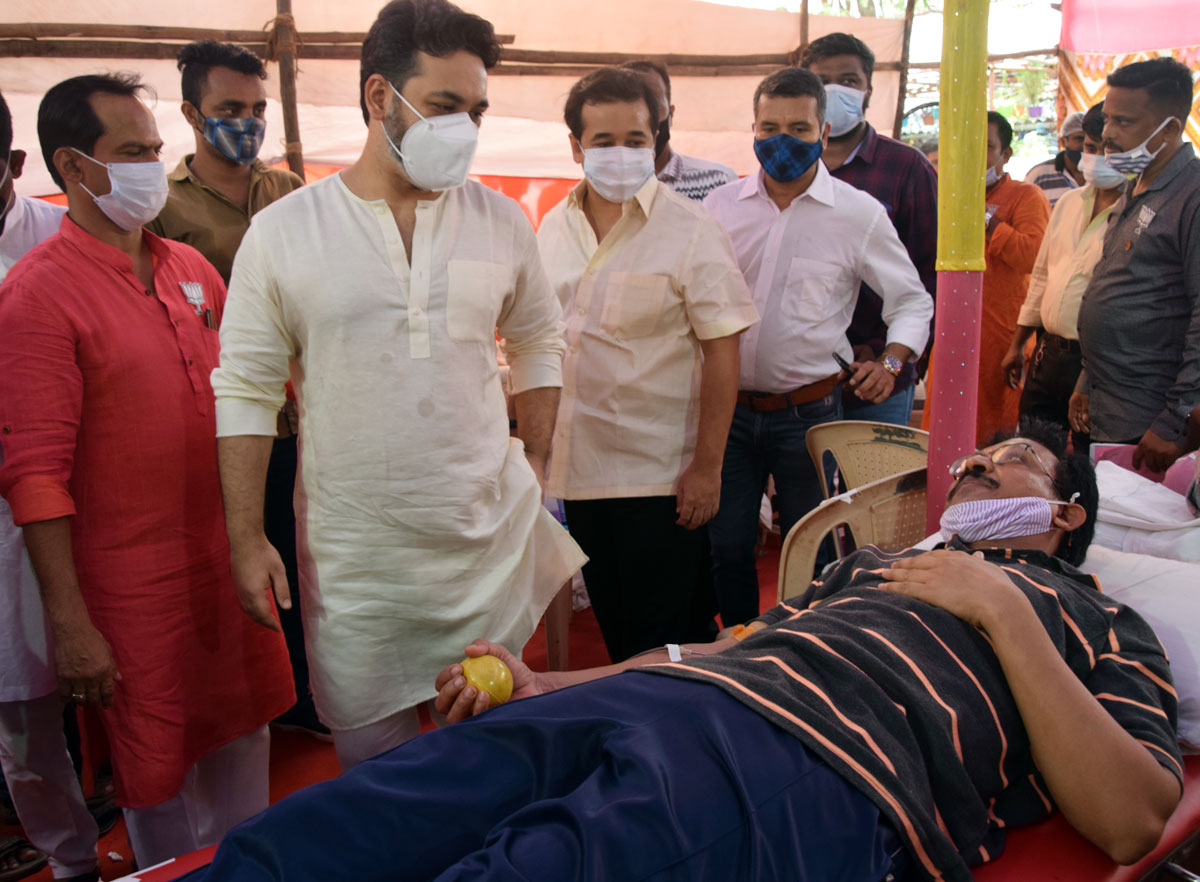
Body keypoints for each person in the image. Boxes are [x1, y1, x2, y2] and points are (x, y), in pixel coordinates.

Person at [180, 420, 1183, 882]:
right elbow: (727, 642)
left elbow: (1137, 820)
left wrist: (1000, 609)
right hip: (689, 697)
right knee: (367, 814)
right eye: (967, 463)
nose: (973, 470)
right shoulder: (869, 569)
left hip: (819, 767)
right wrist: (546, 681)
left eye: (1007, 464)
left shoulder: (1099, 622)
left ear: (1061, 511)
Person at [211, 0, 585, 771]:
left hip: (484, 545)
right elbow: (245, 389)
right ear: (381, 98)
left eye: (476, 110)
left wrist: (537, 464)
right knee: (377, 783)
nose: (466, 129)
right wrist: (246, 538)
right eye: (445, 107)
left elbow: (539, 339)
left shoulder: (500, 220)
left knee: (494, 766)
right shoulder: (286, 232)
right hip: (360, 566)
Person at [0, 73, 294, 868]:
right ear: (72, 166)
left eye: (155, 150)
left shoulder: (189, 271)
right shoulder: (36, 296)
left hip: (222, 561)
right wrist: (70, 624)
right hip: (130, 593)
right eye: (131, 153)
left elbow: (250, 396)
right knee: (158, 776)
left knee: (244, 747)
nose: (151, 167)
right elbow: (34, 477)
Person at [537, 68, 757, 662]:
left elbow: (723, 348)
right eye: (603, 141)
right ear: (576, 147)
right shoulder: (551, 229)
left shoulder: (691, 229)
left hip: (660, 478)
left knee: (662, 639)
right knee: (620, 628)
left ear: (657, 141)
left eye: (636, 139)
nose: (620, 153)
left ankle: (674, 744)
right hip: (580, 472)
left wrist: (707, 468)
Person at [702, 68, 932, 626]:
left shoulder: (858, 215)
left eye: (799, 128)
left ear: (824, 132)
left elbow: (912, 301)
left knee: (815, 555)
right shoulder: (718, 207)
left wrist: (893, 360)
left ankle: (805, 650)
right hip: (726, 413)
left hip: (809, 414)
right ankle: (738, 650)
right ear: (752, 129)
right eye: (770, 126)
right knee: (726, 547)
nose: (783, 140)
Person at [145, 39, 321, 738]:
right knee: (234, 567)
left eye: (255, 110)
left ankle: (303, 699)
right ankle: (249, 708)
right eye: (228, 109)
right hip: (220, 427)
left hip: (301, 420)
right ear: (191, 113)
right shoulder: (160, 205)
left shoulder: (289, 192)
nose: (245, 123)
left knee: (303, 562)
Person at [0, 89, 97, 882]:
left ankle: (120, 836)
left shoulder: (61, 242)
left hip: (65, 504)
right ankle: (69, 861)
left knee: (92, 680)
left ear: (15, 167)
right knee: (19, 715)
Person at [800, 32, 938, 427]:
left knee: (877, 488)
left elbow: (927, 285)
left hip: (880, 382)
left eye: (848, 80)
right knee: (810, 489)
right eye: (822, 81)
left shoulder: (907, 168)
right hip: (805, 384)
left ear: (868, 91)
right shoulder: (789, 169)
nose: (835, 90)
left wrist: (891, 363)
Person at [1073, 57, 1200, 475]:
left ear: (1170, 129)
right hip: (1107, 407)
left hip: (1150, 421)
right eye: (1108, 118)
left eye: (1123, 122)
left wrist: (1173, 420)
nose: (1107, 134)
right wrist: (1086, 383)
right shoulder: (1134, 186)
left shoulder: (1191, 196)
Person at [1001, 102, 1121, 451]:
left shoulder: (1134, 213)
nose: (1096, 157)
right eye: (1090, 148)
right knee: (1032, 451)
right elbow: (1041, 277)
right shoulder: (1068, 203)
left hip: (1096, 361)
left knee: (1085, 459)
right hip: (1048, 353)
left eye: (1107, 150)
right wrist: (1017, 344)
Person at [939, 110, 1049, 444]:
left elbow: (1033, 256)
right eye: (966, 145)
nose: (974, 155)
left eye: (985, 146)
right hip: (950, 332)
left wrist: (989, 223)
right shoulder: (947, 195)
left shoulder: (1025, 196)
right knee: (943, 428)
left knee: (993, 439)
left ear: (1006, 154)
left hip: (1001, 339)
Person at [618, 59, 737, 202]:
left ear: (671, 113)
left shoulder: (718, 182)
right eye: (630, 108)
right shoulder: (603, 186)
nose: (644, 117)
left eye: (654, 105)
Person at [1024, 111, 1086, 206]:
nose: (1085, 145)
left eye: (1090, 140)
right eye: (1079, 139)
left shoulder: (1102, 175)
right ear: (1063, 141)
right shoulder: (1039, 176)